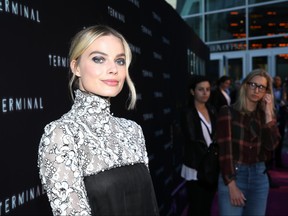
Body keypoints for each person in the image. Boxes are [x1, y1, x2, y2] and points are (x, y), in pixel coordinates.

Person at [37, 25, 159, 216]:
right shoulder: (62, 134)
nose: (113, 69)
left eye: (120, 61)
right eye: (99, 59)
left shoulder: (133, 130)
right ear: (76, 67)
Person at [216, 68, 281, 216]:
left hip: (260, 177)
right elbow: (225, 152)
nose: (256, 90)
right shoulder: (227, 112)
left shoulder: (266, 116)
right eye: (253, 84)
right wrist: (231, 185)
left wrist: (268, 113)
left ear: (266, 92)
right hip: (234, 175)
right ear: (245, 85)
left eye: (261, 87)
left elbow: (271, 145)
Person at [181, 75, 217, 216]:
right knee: (196, 207)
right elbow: (192, 139)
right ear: (192, 91)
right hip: (195, 166)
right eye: (201, 89)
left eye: (207, 89)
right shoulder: (187, 112)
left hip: (211, 166)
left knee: (207, 206)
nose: (205, 93)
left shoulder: (212, 110)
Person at [273, 75, 287, 168]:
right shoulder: (269, 90)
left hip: (281, 117)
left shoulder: (284, 90)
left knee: (280, 139)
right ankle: (269, 160)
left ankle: (278, 161)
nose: (277, 81)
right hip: (271, 117)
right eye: (276, 80)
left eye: (279, 80)